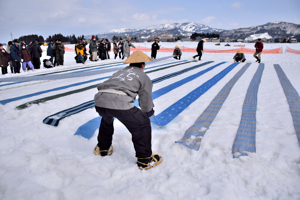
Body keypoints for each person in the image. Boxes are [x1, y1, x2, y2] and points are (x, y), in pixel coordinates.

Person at [93, 51, 163, 170]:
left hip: (99, 101)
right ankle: (145, 160)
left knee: (107, 119)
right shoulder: (143, 76)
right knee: (142, 124)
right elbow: (145, 97)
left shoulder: (119, 72)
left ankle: (103, 148)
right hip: (118, 102)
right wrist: (148, 112)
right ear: (142, 66)